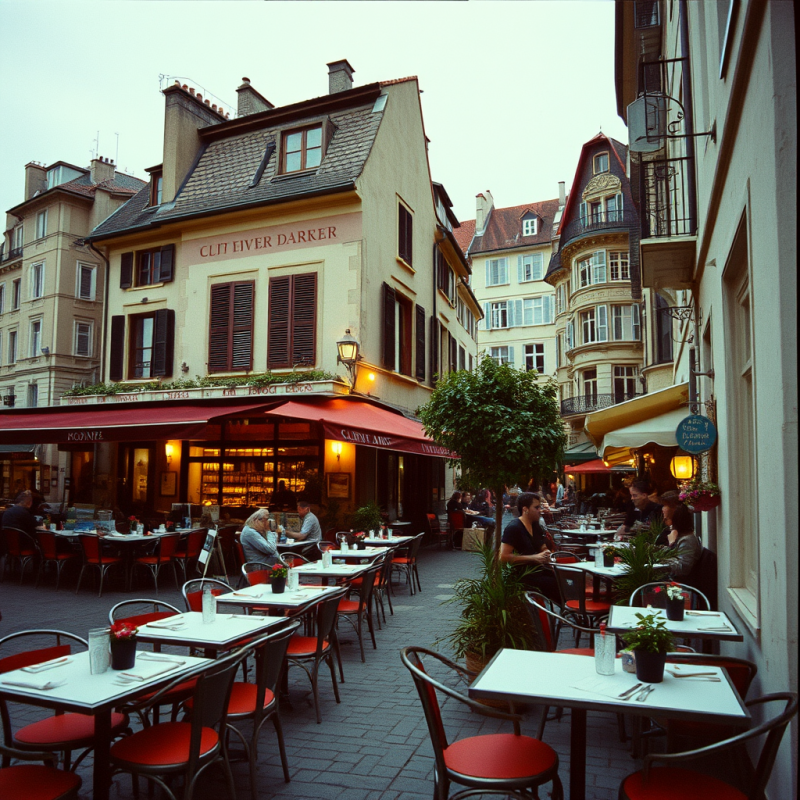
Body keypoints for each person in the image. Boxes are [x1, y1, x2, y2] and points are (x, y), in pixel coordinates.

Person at [499, 492, 557, 600]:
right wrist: (533, 558)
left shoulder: (535, 525)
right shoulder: (514, 528)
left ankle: (568, 612)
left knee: (565, 581)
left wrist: (545, 552)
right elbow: (503, 557)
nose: (540, 510)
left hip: (538, 571)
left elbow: (541, 545)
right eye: (536, 507)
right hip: (523, 576)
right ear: (525, 509)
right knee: (557, 584)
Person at [664, 504, 702, 578]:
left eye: (666, 519)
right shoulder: (681, 537)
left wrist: (671, 544)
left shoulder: (688, 540)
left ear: (675, 521)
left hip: (680, 583)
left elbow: (683, 569)